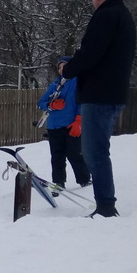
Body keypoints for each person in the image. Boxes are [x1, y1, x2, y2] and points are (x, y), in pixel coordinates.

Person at [61, 0, 136, 217]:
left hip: (99, 94)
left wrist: (68, 69)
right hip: (113, 92)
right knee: (97, 150)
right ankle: (105, 203)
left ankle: (105, 206)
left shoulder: (106, 16)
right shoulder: (123, 16)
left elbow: (91, 53)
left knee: (95, 152)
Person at [38, 56, 91, 193]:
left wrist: (79, 121)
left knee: (75, 154)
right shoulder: (54, 85)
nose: (62, 69)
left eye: (65, 66)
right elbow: (41, 102)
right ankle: (59, 182)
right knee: (57, 157)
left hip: (71, 125)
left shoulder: (79, 82)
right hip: (54, 126)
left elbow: (83, 102)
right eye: (59, 67)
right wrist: (51, 105)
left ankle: (84, 179)